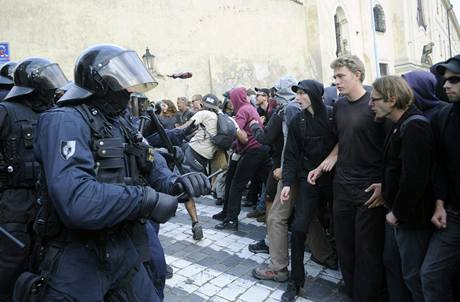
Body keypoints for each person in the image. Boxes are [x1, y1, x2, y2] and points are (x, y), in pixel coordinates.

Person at [20, 44, 210, 301]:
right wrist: (146, 199)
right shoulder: (64, 120)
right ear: (101, 83)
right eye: (123, 82)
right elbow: (76, 199)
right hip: (77, 253)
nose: (129, 91)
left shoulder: (119, 121)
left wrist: (176, 183)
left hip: (122, 244)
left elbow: (150, 161)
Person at [309, 55, 387, 302]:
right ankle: (353, 291)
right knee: (344, 245)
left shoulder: (376, 104)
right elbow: (343, 140)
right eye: (334, 77)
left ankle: (368, 295)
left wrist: (386, 184)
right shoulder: (340, 106)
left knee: (367, 248)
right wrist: (325, 163)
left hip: (368, 187)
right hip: (341, 184)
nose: (336, 82)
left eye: (341, 76)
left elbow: (390, 150)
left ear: (358, 75)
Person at [0, 57, 69, 301]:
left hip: (49, 198)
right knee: (11, 262)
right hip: (14, 200)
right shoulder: (6, 111)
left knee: (47, 259)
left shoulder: (56, 113)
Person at [370, 75, 434, 302]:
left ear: (392, 99)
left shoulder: (415, 125)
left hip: (411, 219)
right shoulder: (401, 124)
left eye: (375, 99)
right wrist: (385, 186)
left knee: (413, 276)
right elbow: (397, 168)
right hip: (399, 214)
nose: (371, 105)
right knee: (396, 266)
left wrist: (398, 212)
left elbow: (414, 178)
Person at [279, 80, 337, 302]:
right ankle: (296, 282)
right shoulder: (297, 120)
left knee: (341, 225)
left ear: (313, 94)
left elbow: (345, 142)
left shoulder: (333, 116)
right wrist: (286, 183)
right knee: (299, 227)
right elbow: (291, 154)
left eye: (302, 93)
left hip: (334, 180)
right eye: (297, 93)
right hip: (308, 180)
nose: (297, 97)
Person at [420, 54, 460, 302]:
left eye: (454, 80)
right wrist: (439, 203)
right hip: (454, 216)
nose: (446, 85)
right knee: (431, 275)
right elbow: (441, 166)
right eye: (445, 80)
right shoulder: (445, 117)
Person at [214, 87, 269, 231]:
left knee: (236, 185)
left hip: (253, 151)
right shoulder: (250, 108)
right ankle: (227, 214)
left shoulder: (243, 111)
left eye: (231, 98)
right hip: (260, 149)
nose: (230, 101)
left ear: (237, 98)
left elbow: (243, 137)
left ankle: (231, 220)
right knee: (267, 185)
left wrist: (232, 125)